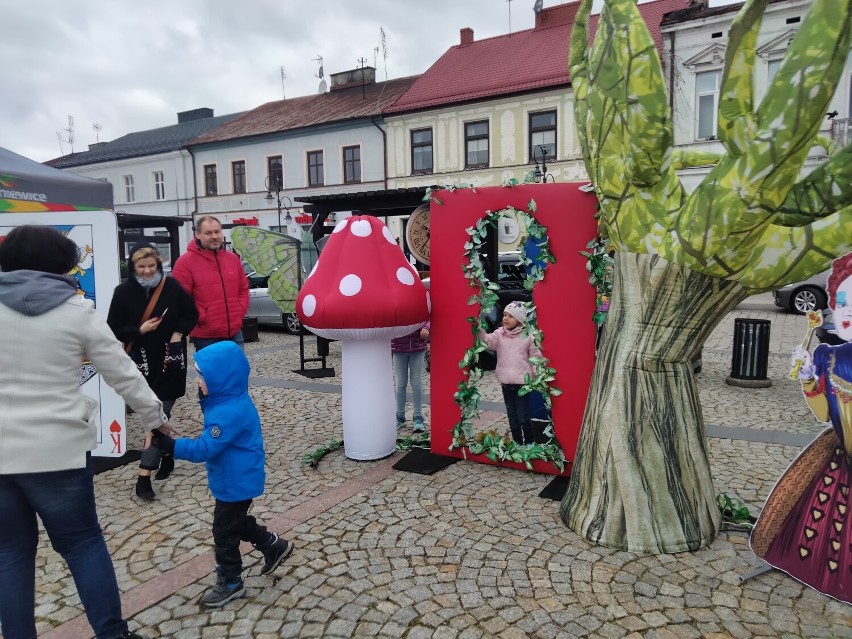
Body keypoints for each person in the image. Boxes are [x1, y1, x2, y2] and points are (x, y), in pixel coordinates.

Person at [0, 225, 174, 639]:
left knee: (8, 554)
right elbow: (124, 373)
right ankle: (112, 634)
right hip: (57, 450)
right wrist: (156, 418)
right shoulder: (76, 311)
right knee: (82, 545)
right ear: (60, 265)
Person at [151, 341, 293, 607]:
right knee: (235, 523)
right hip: (234, 479)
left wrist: (171, 447)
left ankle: (230, 582)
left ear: (221, 379)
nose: (196, 382)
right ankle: (272, 545)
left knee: (224, 532)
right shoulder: (226, 399)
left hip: (236, 482)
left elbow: (205, 447)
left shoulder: (229, 412)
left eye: (201, 377)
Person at [751, 252, 852, 604]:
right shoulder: (830, 355)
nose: (848, 312)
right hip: (839, 457)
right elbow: (825, 412)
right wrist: (810, 379)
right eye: (842, 302)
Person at [107, 242, 198, 502]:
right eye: (141, 267)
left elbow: (191, 314)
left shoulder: (171, 287)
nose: (147, 271)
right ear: (132, 267)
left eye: (151, 266)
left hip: (170, 363)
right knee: (154, 416)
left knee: (157, 418)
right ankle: (167, 455)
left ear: (158, 264)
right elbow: (113, 328)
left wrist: (179, 331)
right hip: (141, 365)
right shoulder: (123, 292)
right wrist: (140, 330)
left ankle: (144, 476)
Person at [171, 216, 249, 351]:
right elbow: (181, 299)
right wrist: (202, 317)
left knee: (238, 372)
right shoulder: (185, 263)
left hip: (235, 332)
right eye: (208, 233)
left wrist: (239, 309)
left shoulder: (232, 259)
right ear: (198, 234)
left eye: (217, 232)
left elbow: (243, 288)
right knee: (213, 373)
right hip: (206, 336)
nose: (214, 236)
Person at [478, 301, 542, 446]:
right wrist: (480, 331)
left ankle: (530, 442)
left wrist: (538, 375)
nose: (505, 318)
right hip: (506, 383)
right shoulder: (499, 334)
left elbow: (535, 357)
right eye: (505, 315)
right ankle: (517, 442)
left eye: (510, 316)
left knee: (523, 415)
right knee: (512, 416)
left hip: (523, 384)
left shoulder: (529, 336)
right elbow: (488, 342)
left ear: (519, 319)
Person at [392, 321, 430, 432]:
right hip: (398, 346)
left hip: (417, 346)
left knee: (416, 382)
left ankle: (418, 416)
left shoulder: (421, 303)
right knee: (400, 382)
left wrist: (426, 327)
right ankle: (400, 416)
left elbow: (428, 315)